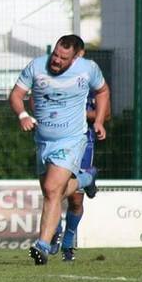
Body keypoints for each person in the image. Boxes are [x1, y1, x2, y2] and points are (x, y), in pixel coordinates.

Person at [8, 34, 109, 265]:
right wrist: (23, 114)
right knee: (50, 191)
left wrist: (99, 121)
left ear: (75, 58)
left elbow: (103, 92)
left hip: (72, 140)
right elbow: (16, 95)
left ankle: (42, 246)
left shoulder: (88, 70)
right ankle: (86, 178)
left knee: (53, 190)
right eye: (55, 54)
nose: (56, 60)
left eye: (63, 58)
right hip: (43, 140)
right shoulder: (36, 66)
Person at [49, 88, 109, 262]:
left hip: (83, 142)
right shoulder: (51, 78)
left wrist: (75, 114)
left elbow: (105, 113)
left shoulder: (93, 80)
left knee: (75, 199)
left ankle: (67, 243)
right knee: (53, 189)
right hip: (55, 139)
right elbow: (34, 101)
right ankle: (55, 229)